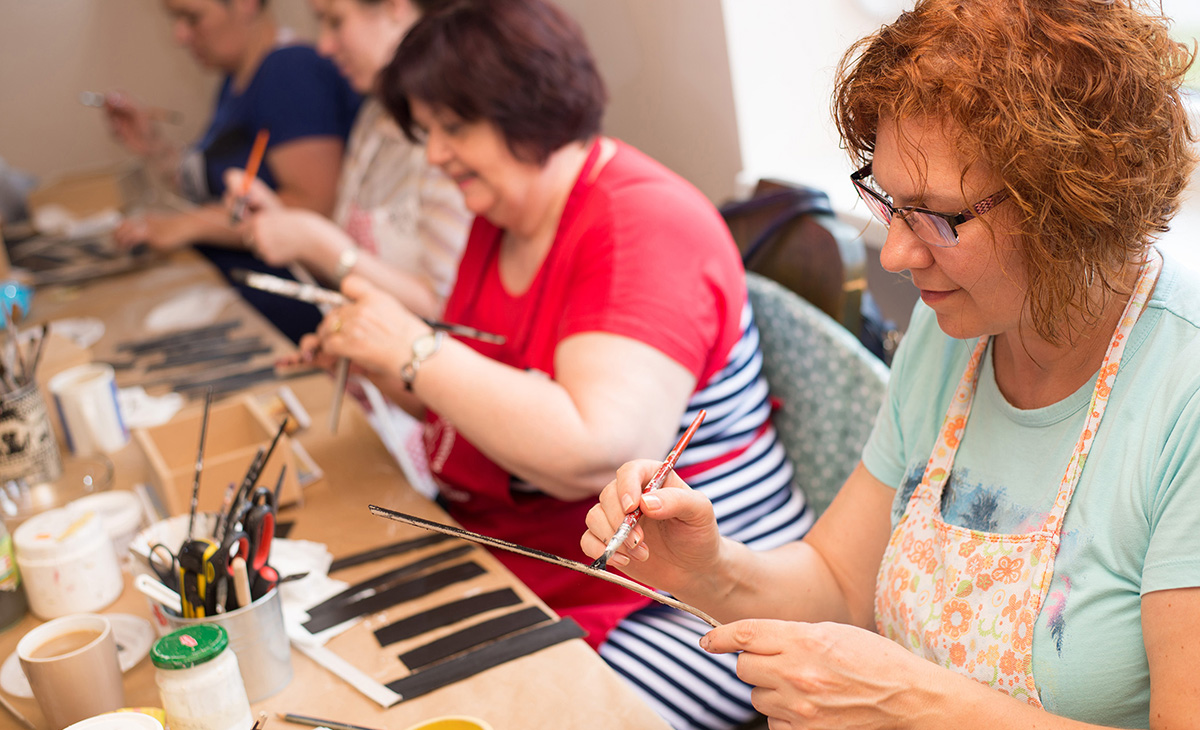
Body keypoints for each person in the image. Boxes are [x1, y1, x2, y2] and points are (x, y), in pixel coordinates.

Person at [582, 0, 1200, 727]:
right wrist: (706, 568)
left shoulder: (1181, 397)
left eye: (935, 217)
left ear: (1069, 206)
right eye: (890, 204)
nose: (896, 255)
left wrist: (907, 701)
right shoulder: (953, 335)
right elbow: (841, 586)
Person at [289, 1, 811, 728]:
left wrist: (414, 349)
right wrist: (383, 364)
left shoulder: (643, 224)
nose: (433, 155)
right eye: (427, 131)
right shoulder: (501, 219)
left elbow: (594, 450)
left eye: (453, 128)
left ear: (528, 106)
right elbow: (486, 404)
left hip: (680, 594)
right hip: (548, 561)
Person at [103, 0, 361, 342]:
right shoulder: (237, 77)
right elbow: (213, 186)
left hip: (286, 318)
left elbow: (314, 207)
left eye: (192, 18)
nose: (180, 35)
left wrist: (190, 224)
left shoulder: (290, 72)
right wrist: (152, 146)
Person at [225, 0, 469, 320]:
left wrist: (318, 243)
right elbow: (355, 267)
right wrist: (286, 226)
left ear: (395, 6)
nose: (324, 46)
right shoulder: (374, 116)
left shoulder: (451, 131)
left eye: (336, 22)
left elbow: (449, 310)